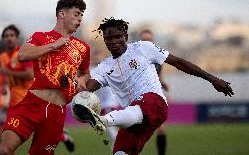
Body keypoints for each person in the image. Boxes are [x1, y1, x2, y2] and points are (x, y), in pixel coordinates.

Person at [73, 17, 234, 155]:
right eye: (109, 38)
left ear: (126, 36)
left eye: (118, 36)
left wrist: (212, 79)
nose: (114, 41)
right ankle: (103, 121)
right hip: (135, 121)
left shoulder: (143, 48)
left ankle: (102, 120)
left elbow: (178, 62)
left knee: (138, 106)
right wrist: (73, 89)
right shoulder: (104, 67)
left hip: (154, 104)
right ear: (105, 40)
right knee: (120, 152)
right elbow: (86, 90)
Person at [0, 0, 90, 155]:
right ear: (62, 13)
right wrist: (54, 45)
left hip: (57, 112)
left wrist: (82, 79)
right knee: (5, 150)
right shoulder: (40, 37)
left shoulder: (83, 48)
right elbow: (22, 55)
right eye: (76, 14)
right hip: (32, 104)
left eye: (82, 15)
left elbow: (86, 73)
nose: (80, 18)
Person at [139, 29, 170, 155]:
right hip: (139, 95)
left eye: (150, 40)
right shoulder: (134, 57)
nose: (148, 42)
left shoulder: (157, 57)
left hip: (155, 94)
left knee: (161, 128)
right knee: (135, 128)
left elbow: (158, 73)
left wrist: (163, 83)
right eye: (145, 40)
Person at [92, 49, 119, 147]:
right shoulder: (91, 71)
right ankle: (117, 143)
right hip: (101, 103)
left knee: (107, 123)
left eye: (99, 55)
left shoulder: (108, 69)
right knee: (106, 124)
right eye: (95, 56)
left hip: (109, 102)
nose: (97, 58)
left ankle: (117, 142)